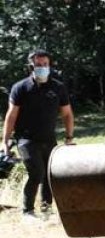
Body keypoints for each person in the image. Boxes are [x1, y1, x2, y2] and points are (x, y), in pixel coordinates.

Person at [3, 50, 76, 222]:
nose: (42, 68)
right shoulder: (20, 88)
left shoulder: (58, 87)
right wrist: (4, 142)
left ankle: (46, 209)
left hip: (49, 139)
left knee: (49, 175)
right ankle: (27, 212)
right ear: (31, 67)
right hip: (26, 139)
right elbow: (11, 116)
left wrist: (69, 137)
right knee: (36, 172)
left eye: (45, 64)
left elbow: (67, 114)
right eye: (38, 65)